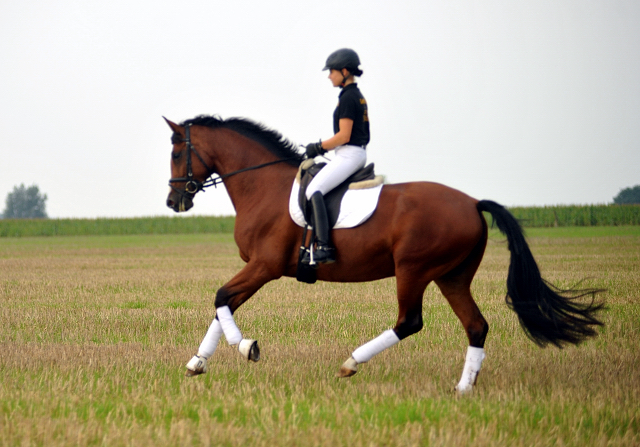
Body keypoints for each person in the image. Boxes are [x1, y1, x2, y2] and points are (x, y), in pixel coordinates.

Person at [303, 48, 370, 265]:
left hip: (349, 153)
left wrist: (318, 147)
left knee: (313, 189)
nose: (329, 76)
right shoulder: (353, 95)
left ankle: (324, 246)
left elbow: (344, 135)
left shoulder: (349, 97)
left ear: (344, 71)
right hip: (352, 152)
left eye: (331, 71)